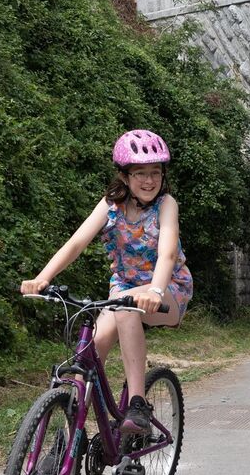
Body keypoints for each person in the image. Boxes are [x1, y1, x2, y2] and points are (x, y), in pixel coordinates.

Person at [20, 129, 193, 433]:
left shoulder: (167, 205)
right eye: (140, 173)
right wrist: (42, 278)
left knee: (128, 310)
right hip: (124, 289)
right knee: (89, 351)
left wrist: (154, 289)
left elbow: (166, 254)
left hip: (167, 289)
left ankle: (137, 405)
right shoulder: (110, 204)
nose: (149, 180)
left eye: (155, 173)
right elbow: (76, 243)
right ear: (125, 176)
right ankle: (68, 437)